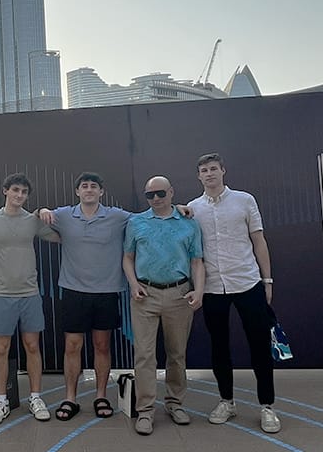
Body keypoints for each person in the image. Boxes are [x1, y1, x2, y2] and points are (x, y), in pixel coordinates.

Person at [188, 153, 281, 434]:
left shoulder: (244, 200)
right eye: (203, 170)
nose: (209, 174)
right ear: (199, 176)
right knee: (219, 348)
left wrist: (267, 280)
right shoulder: (193, 208)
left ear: (223, 171)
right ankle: (226, 401)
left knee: (259, 347)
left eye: (213, 168)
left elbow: (259, 241)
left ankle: (267, 406)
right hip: (214, 288)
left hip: (248, 282)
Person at [38, 172, 129, 421]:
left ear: (101, 192)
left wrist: (181, 209)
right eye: (84, 186)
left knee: (102, 346)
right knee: (72, 347)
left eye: (94, 186)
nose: (89, 190)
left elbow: (149, 220)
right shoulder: (65, 215)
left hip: (106, 292)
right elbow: (33, 218)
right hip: (73, 291)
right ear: (77, 191)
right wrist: (41, 210)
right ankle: (70, 398)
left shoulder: (117, 217)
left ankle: (101, 396)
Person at [0, 173, 60, 425]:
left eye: (24, 192)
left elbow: (58, 236)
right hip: (1, 295)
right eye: (15, 190)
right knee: (1, 348)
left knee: (32, 346)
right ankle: (2, 401)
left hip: (30, 293)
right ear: (5, 191)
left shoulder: (33, 220)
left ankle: (35, 397)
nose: (19, 195)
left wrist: (45, 212)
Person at [122, 176, 204, 435]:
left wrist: (199, 290)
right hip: (144, 295)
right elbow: (127, 258)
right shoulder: (136, 223)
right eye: (150, 195)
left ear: (171, 192)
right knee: (144, 355)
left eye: (160, 193)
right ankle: (145, 410)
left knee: (176, 354)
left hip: (179, 295)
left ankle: (175, 403)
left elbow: (197, 261)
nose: (156, 199)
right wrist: (133, 283)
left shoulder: (189, 223)